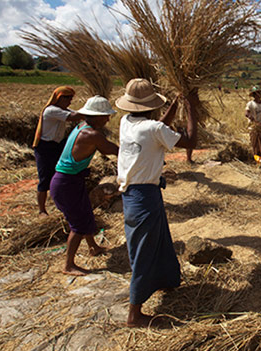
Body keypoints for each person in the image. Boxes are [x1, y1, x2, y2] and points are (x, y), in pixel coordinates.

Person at [116, 78, 198, 328]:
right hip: (143, 197)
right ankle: (134, 314)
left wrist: (175, 103)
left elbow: (159, 126)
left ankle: (166, 281)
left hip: (134, 195)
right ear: (152, 105)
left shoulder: (126, 122)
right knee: (143, 251)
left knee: (160, 240)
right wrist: (192, 108)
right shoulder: (152, 129)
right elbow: (190, 141)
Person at [49, 96, 119, 276]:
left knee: (86, 213)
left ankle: (93, 247)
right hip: (66, 183)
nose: (107, 119)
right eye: (105, 116)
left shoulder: (81, 127)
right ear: (95, 116)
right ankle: (68, 265)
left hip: (71, 180)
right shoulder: (92, 134)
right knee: (78, 224)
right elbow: (112, 150)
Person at [32, 86, 84, 216]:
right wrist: (94, 112)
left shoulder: (62, 110)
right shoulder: (51, 110)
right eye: (68, 98)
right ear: (60, 98)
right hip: (45, 147)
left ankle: (61, 203)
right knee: (44, 179)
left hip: (57, 145)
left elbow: (76, 115)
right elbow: (74, 116)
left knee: (61, 173)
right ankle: (42, 210)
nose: (70, 102)